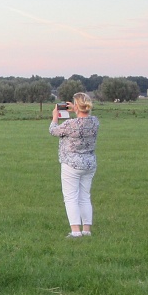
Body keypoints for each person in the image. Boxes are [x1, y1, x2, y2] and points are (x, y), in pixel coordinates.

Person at [49, 92, 99, 238]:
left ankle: (75, 231)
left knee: (71, 198)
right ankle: (86, 230)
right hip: (89, 163)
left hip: (71, 164)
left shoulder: (70, 124)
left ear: (76, 105)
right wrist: (76, 109)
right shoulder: (95, 122)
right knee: (85, 197)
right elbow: (86, 118)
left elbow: (53, 131)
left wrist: (55, 117)